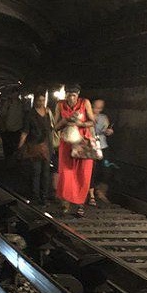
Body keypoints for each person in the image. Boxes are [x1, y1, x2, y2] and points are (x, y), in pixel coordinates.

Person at [54, 84, 96, 217]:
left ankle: (80, 204)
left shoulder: (85, 103)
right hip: (67, 143)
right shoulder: (60, 105)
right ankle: (65, 203)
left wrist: (80, 124)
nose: (71, 98)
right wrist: (65, 121)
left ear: (78, 95)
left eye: (74, 95)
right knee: (66, 173)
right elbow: (55, 126)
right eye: (69, 95)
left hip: (83, 143)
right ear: (65, 95)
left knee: (83, 174)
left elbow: (92, 121)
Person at [17, 92, 54, 204]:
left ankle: (44, 196)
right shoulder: (30, 115)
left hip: (47, 146)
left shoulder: (47, 113)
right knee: (36, 172)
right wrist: (20, 145)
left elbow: (52, 128)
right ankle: (35, 196)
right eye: (39, 100)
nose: (41, 103)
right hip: (35, 146)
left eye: (43, 100)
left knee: (46, 173)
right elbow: (25, 131)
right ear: (35, 101)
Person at [89, 98, 114, 207]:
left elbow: (107, 130)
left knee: (106, 169)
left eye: (100, 108)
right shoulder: (86, 116)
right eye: (95, 107)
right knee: (92, 171)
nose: (97, 110)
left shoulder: (103, 117)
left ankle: (101, 191)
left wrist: (109, 132)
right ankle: (91, 195)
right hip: (90, 147)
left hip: (103, 146)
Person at [0, 94, 25, 162]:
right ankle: (10, 161)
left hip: (15, 129)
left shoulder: (20, 103)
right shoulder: (10, 103)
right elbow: (2, 116)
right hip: (10, 129)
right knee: (10, 148)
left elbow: (2, 115)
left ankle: (10, 161)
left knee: (11, 148)